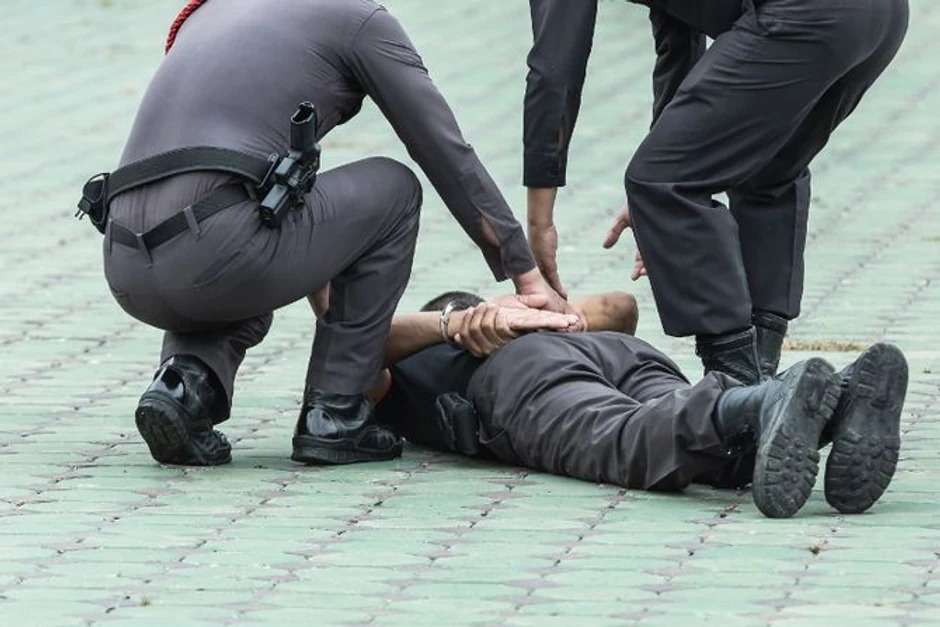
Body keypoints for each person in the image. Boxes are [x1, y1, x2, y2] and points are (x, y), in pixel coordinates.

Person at [78, 0, 576, 468]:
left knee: (235, 237)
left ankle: (184, 385)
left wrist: (320, 271)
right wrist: (526, 274)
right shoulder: (357, 18)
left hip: (124, 262)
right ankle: (337, 409)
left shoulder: (213, 10)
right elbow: (444, 152)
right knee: (394, 187)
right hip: (216, 248)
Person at [521, 0, 910, 385]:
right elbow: (679, 36)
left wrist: (540, 222)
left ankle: (737, 391)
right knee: (768, 170)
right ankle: (768, 389)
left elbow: (554, 72)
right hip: (881, 17)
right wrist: (670, 168)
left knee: (658, 183)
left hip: (806, 17)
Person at [367, 290, 908, 519]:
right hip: (619, 352)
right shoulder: (517, 316)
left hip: (518, 377)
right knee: (716, 451)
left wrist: (453, 325)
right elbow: (621, 307)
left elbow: (355, 349)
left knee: (626, 439)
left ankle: (770, 397)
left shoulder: (414, 360)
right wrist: (556, 315)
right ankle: (843, 395)